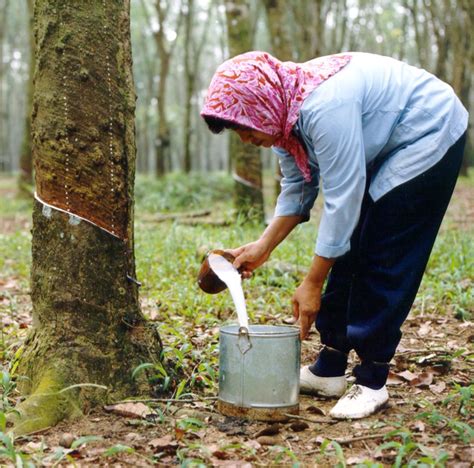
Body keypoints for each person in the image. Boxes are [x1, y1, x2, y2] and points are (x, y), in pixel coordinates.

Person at [200, 51, 468, 419]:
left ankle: (373, 379)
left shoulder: (324, 107)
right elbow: (297, 188)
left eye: (246, 127)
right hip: (388, 140)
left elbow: (343, 198)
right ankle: (330, 366)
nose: (245, 139)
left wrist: (312, 282)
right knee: (348, 245)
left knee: (382, 248)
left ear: (262, 105)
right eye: (238, 131)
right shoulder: (283, 117)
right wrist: (263, 246)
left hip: (429, 127)